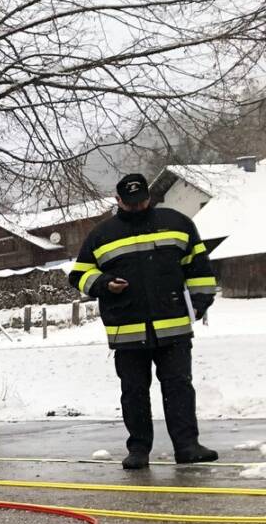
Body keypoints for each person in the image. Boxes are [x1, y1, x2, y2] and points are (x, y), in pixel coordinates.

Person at [69, 172, 219, 469]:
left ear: (148, 197)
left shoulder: (177, 224)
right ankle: (138, 449)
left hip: (173, 326)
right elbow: (79, 274)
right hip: (127, 330)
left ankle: (187, 446)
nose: (137, 208)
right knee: (134, 392)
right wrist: (104, 283)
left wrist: (200, 303)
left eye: (141, 202)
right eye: (130, 203)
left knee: (179, 387)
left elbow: (199, 268)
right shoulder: (102, 234)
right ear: (118, 200)